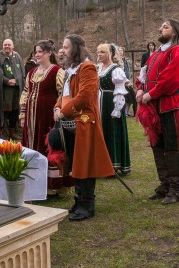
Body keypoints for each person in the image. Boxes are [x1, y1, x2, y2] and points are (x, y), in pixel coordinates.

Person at [54, 34, 114, 221]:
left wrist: (62, 112)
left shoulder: (87, 68)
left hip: (85, 121)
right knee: (74, 162)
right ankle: (79, 200)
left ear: (76, 49)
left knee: (85, 162)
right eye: (62, 47)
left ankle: (88, 204)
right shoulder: (71, 69)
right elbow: (64, 93)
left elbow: (85, 96)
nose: (62, 50)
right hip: (71, 121)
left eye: (66, 47)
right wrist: (57, 107)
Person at [136, 19, 179, 205]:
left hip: (171, 104)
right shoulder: (156, 53)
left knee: (173, 145)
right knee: (157, 144)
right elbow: (144, 74)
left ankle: (176, 189)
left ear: (174, 32)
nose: (160, 28)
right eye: (161, 26)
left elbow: (170, 79)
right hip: (154, 105)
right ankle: (165, 185)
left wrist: (150, 94)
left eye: (165, 26)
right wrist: (140, 89)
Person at [19, 39, 68, 195]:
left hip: (47, 116)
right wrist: (22, 113)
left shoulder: (57, 71)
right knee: (30, 145)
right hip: (31, 118)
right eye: (36, 52)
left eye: (40, 51)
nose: (37, 54)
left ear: (48, 53)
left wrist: (59, 111)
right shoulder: (32, 72)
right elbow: (26, 92)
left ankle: (51, 186)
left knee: (47, 147)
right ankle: (31, 183)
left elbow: (63, 94)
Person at [97, 43, 131, 174]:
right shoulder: (99, 68)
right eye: (98, 52)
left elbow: (119, 90)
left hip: (111, 103)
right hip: (100, 103)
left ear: (110, 54)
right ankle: (103, 164)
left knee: (113, 132)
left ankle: (115, 164)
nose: (99, 54)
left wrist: (117, 109)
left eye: (103, 52)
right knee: (103, 132)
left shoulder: (116, 70)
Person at [0, 39, 25, 141]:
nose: (7, 46)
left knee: (14, 111)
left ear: (13, 46)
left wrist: (17, 80)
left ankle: (12, 132)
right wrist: (7, 81)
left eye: (9, 45)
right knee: (3, 111)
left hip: (15, 91)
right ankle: (1, 132)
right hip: (4, 92)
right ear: (2, 46)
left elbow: (21, 72)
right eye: (5, 44)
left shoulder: (17, 56)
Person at [118, 46, 137, 117]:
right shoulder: (116, 60)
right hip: (120, 82)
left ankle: (127, 112)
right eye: (119, 50)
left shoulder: (125, 60)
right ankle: (124, 112)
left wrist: (129, 80)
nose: (120, 52)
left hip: (127, 81)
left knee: (131, 97)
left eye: (121, 50)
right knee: (124, 98)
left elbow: (128, 71)